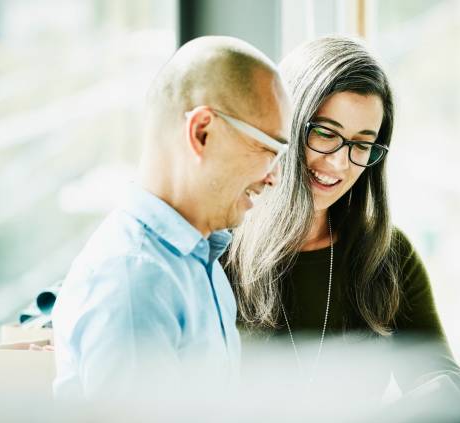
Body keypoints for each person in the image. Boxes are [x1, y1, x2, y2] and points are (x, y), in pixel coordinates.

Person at [226, 36, 460, 413]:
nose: (340, 164)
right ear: (285, 125)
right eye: (326, 134)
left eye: (361, 144)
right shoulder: (217, 250)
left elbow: (456, 397)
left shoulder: (387, 254)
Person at [52, 35, 291, 400]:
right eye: (267, 149)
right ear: (202, 132)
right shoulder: (134, 282)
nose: (273, 176)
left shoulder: (199, 263)